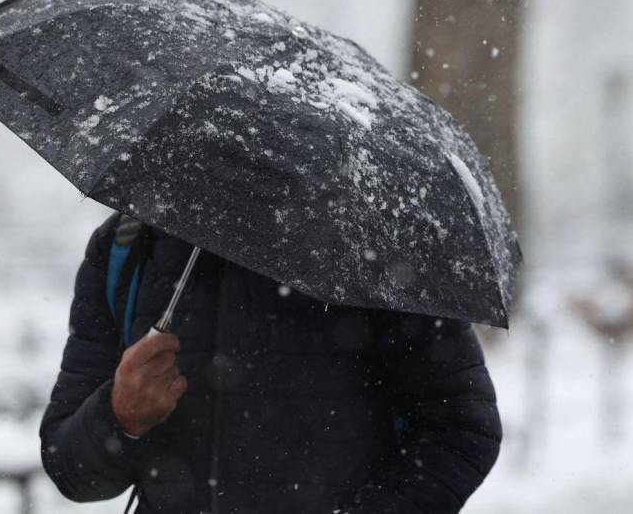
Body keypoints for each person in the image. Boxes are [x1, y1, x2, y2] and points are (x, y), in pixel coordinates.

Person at [40, 212, 502, 514]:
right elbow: (72, 472)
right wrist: (121, 416)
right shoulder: (129, 244)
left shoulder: (381, 242)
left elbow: (461, 431)